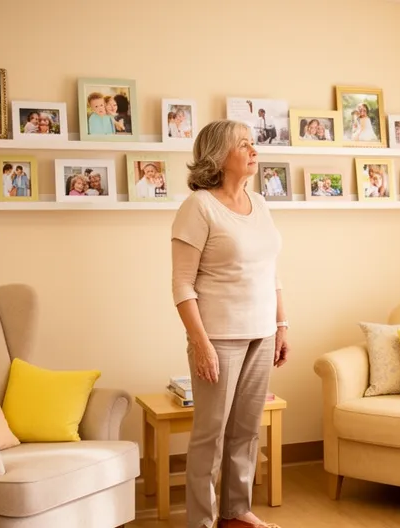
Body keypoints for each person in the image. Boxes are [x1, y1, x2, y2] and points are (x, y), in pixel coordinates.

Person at [170, 119, 289, 528]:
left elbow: (270, 271)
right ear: (219, 156)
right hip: (219, 337)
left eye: (254, 143)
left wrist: (282, 325)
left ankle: (236, 512)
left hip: (262, 332)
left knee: (246, 431)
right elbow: (182, 284)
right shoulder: (198, 207)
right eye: (244, 144)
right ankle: (201, 521)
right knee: (211, 436)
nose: (254, 150)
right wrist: (200, 343)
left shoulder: (261, 205)